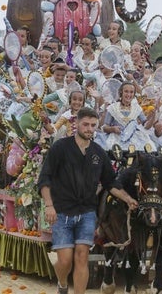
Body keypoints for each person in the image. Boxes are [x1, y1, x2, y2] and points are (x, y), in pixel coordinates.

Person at [38, 107, 138, 294]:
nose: (89, 129)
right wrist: (49, 205)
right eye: (85, 124)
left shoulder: (98, 153)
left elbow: (110, 182)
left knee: (82, 256)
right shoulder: (60, 148)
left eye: (93, 125)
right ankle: (62, 284)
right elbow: (45, 179)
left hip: (87, 213)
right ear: (76, 123)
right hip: (61, 211)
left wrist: (128, 198)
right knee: (65, 260)